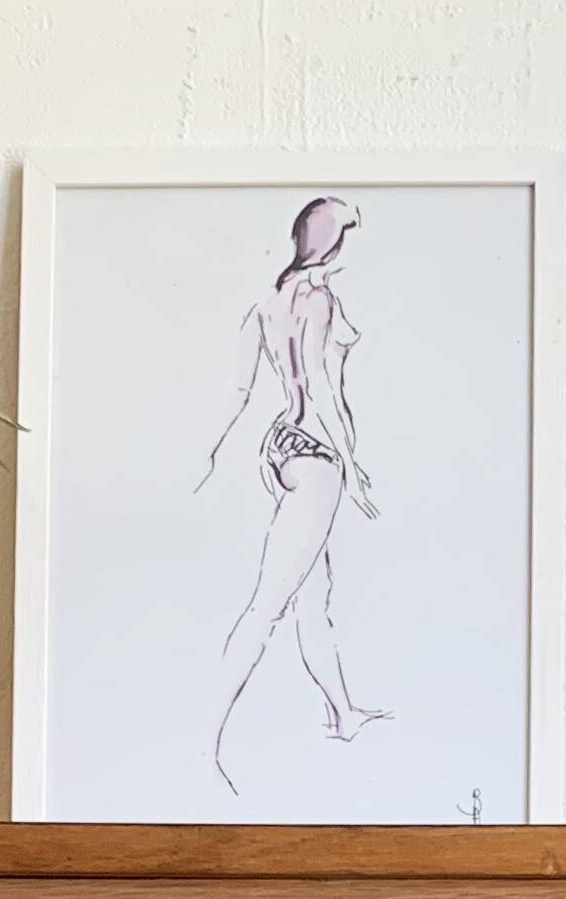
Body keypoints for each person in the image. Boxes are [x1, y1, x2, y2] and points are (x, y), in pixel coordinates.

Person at [197, 194, 387, 790]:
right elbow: (322, 390)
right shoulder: (319, 300)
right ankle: (205, 741)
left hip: (282, 449)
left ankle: (343, 713)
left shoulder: (266, 302)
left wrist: (215, 453)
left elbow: (240, 391)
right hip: (319, 456)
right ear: (333, 245)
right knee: (267, 605)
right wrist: (353, 469)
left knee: (312, 597)